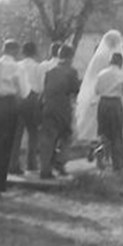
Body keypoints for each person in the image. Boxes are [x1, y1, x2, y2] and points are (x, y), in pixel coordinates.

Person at [0, 40, 29, 199]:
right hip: (9, 104)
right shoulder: (17, 67)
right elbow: (24, 91)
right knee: (6, 146)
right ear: (16, 51)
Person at [38, 45, 81, 179]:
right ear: (70, 57)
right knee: (66, 137)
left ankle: (45, 170)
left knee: (48, 139)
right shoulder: (71, 72)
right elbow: (74, 90)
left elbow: (45, 90)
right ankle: (60, 162)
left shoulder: (50, 72)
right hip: (62, 108)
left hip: (48, 108)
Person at [75, 30, 123, 143]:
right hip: (114, 93)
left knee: (96, 122)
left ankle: (97, 145)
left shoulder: (99, 56)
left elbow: (91, 75)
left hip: (97, 91)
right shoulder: (118, 57)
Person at [94, 53, 123, 171]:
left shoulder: (101, 73)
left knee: (103, 132)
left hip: (103, 103)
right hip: (115, 104)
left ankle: (100, 151)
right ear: (120, 62)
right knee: (116, 134)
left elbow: (97, 90)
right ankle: (118, 164)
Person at [10, 41, 42, 174]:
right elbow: (40, 86)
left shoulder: (16, 65)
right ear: (35, 52)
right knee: (33, 133)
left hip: (18, 99)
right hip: (33, 98)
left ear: (22, 52)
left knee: (17, 133)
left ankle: (13, 164)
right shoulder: (38, 67)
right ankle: (31, 163)